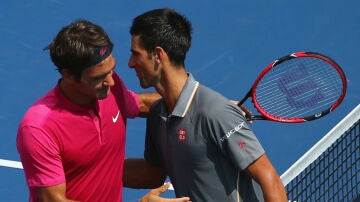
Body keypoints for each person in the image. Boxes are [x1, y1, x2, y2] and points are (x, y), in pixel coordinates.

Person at [123, 8, 288, 202]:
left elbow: (269, 179)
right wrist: (90, 169)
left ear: (158, 55)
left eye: (136, 54)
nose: (130, 63)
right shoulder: (157, 116)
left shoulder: (215, 112)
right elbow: (151, 174)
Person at [16, 19, 190, 202]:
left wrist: (204, 105)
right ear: (67, 75)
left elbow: (142, 104)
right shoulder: (39, 128)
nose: (112, 81)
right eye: (99, 77)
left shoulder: (109, 89)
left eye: (111, 70)